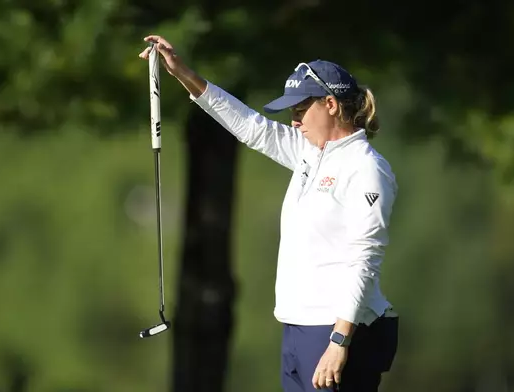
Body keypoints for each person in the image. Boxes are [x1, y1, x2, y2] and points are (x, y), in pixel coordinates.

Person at [139, 35, 399, 392]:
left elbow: (365, 258)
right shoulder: (309, 153)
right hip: (297, 327)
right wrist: (184, 74)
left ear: (331, 105)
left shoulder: (366, 168)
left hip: (336, 332)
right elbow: (250, 126)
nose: (294, 123)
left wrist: (340, 342)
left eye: (299, 111)